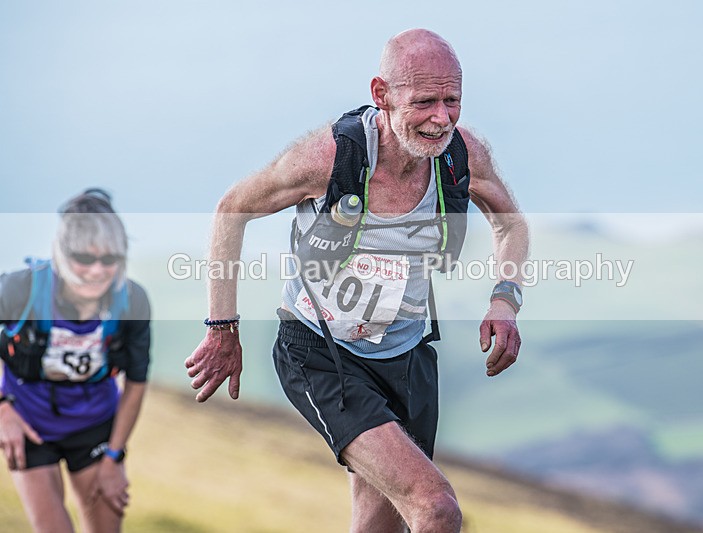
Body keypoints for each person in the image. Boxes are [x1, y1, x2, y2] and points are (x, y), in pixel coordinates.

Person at [186, 29, 529, 532]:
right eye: (425, 102)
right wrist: (222, 327)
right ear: (381, 95)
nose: (441, 118)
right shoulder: (330, 158)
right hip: (322, 354)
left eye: (452, 100)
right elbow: (232, 208)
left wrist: (505, 300)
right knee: (436, 508)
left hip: (407, 357)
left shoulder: (461, 155)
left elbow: (510, 223)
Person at [0, 189, 151, 533]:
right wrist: (3, 408)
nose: (97, 271)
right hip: (30, 425)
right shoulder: (18, 290)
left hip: (95, 426)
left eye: (109, 259)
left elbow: (137, 383)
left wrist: (114, 457)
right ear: (61, 253)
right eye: (84, 258)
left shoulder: (132, 301)